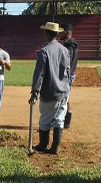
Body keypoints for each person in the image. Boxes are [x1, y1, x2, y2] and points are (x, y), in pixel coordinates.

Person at [28, 22, 71, 154]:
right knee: (59, 119)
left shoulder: (44, 51)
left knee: (45, 119)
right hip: (64, 91)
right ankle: (55, 147)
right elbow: (68, 71)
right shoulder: (65, 50)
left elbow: (39, 74)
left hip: (49, 92)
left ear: (46, 33)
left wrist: (35, 92)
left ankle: (43, 144)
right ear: (57, 34)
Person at [59, 23, 78, 129]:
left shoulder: (68, 44)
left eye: (61, 31)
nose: (59, 33)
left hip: (67, 75)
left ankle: (65, 122)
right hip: (71, 74)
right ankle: (66, 121)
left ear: (67, 32)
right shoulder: (72, 43)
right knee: (66, 97)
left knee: (64, 97)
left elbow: (68, 59)